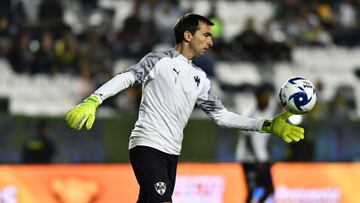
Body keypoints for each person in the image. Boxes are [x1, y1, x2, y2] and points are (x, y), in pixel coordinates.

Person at [65, 13, 304, 203]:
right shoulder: (159, 60)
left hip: (171, 153)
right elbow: (127, 77)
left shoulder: (201, 78)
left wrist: (267, 125)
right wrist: (94, 99)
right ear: (188, 36)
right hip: (147, 144)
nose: (211, 41)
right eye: (206, 35)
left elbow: (222, 116)